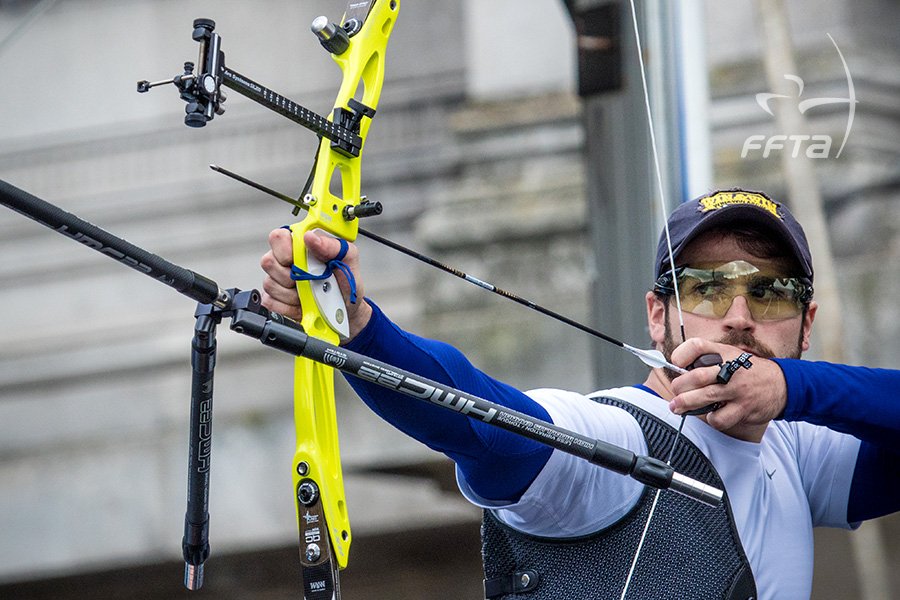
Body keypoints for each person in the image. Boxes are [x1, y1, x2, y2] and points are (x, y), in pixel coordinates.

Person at [260, 189, 900, 599]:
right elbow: (482, 421)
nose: (738, 316)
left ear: (806, 324)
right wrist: (362, 331)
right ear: (658, 316)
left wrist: (793, 388)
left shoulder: (793, 452)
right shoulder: (616, 440)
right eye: (705, 288)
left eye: (768, 292)